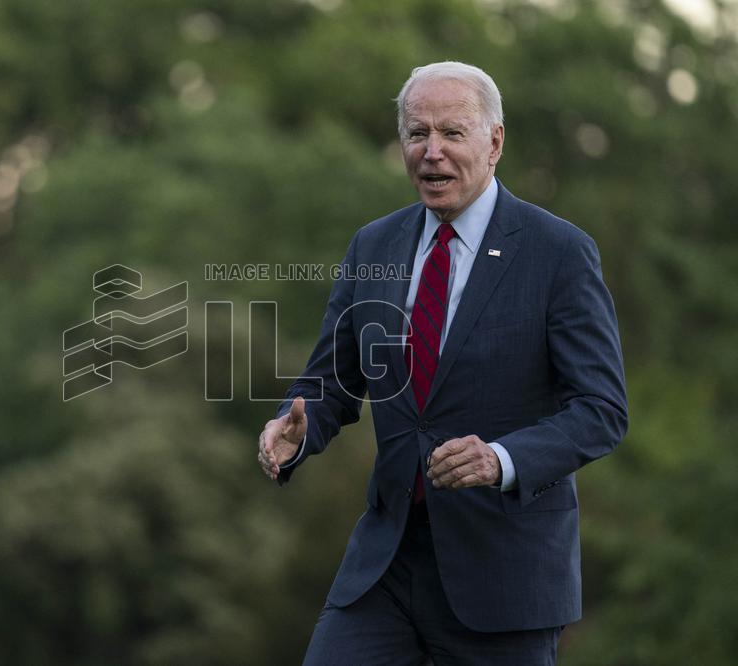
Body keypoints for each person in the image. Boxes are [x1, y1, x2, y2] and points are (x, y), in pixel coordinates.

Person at [256, 61, 628, 665]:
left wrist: (501, 459)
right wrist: (294, 430)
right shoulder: (372, 245)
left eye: (452, 134)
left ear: (495, 141)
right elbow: (331, 382)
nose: (432, 153)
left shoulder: (559, 252)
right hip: (385, 565)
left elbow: (601, 410)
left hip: (504, 572)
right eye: (416, 134)